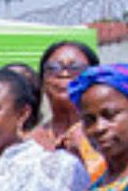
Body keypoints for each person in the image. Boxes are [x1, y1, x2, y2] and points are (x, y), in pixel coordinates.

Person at [30, 40, 107, 181]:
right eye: (53, 68)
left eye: (76, 68)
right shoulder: (30, 142)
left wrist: (84, 151)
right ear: (42, 82)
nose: (64, 74)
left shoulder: (107, 134)